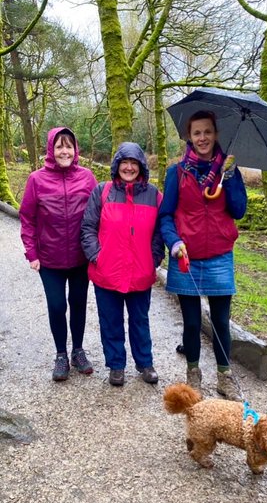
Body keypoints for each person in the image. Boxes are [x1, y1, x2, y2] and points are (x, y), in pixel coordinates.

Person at [158, 110, 247, 398]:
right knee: (193, 321)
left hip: (220, 255)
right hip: (186, 256)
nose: (203, 138)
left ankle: (225, 376)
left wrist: (231, 178)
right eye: (197, 132)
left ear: (216, 134)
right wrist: (173, 242)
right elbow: (166, 215)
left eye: (208, 131)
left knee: (221, 321)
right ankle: (193, 374)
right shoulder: (177, 172)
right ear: (189, 137)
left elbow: (239, 211)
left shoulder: (228, 171)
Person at [80, 142, 165, 387]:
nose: (129, 167)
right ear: (117, 165)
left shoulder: (153, 195)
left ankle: (145, 363)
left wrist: (154, 258)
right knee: (111, 321)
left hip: (140, 271)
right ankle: (116, 366)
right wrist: (97, 256)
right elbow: (88, 228)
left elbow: (161, 231)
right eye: (124, 162)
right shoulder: (102, 191)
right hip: (107, 271)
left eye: (134, 163)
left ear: (141, 167)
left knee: (140, 320)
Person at [19, 126, 98, 382]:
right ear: (51, 150)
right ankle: (61, 354)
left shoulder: (87, 178)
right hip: (49, 259)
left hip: (79, 257)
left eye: (69, 146)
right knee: (56, 305)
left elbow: (99, 214)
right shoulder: (36, 179)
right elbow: (27, 218)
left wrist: (97, 248)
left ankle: (77, 350)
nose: (64, 151)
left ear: (75, 150)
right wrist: (32, 252)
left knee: (77, 304)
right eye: (60, 146)